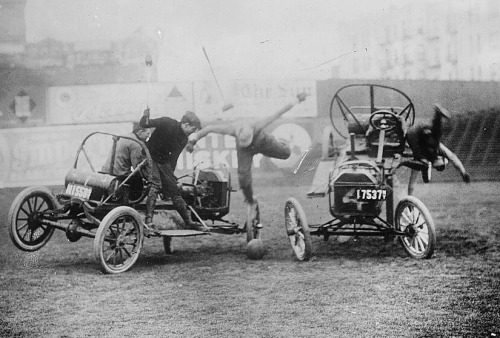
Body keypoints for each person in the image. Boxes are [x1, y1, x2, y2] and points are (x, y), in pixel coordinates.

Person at [186, 92, 308, 216]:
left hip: (263, 142)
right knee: (243, 176)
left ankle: (281, 142)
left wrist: (297, 100)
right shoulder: (232, 129)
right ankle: (249, 200)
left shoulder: (258, 124)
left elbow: (279, 113)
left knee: (286, 153)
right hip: (245, 150)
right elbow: (208, 129)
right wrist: (192, 140)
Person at [139, 109, 207, 232]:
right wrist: (145, 115)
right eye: (192, 129)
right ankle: (148, 221)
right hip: (148, 157)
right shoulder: (167, 122)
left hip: (162, 162)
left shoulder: (183, 139)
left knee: (174, 190)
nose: (192, 133)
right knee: (156, 185)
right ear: (186, 125)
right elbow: (145, 124)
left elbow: (173, 160)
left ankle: (188, 221)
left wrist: (170, 178)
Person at [405, 103, 470, 195]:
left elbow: (413, 179)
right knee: (435, 139)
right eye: (440, 164)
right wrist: (463, 172)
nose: (438, 164)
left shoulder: (424, 156)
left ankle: (437, 115)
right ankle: (437, 115)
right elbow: (453, 157)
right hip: (418, 133)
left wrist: (410, 196)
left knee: (423, 158)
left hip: (416, 134)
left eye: (438, 166)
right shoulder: (438, 149)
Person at [101, 123, 150, 200]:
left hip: (106, 170)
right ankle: (132, 201)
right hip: (119, 174)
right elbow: (137, 166)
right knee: (138, 180)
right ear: (140, 132)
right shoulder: (136, 144)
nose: (148, 136)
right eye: (147, 133)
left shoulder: (125, 136)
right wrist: (149, 176)